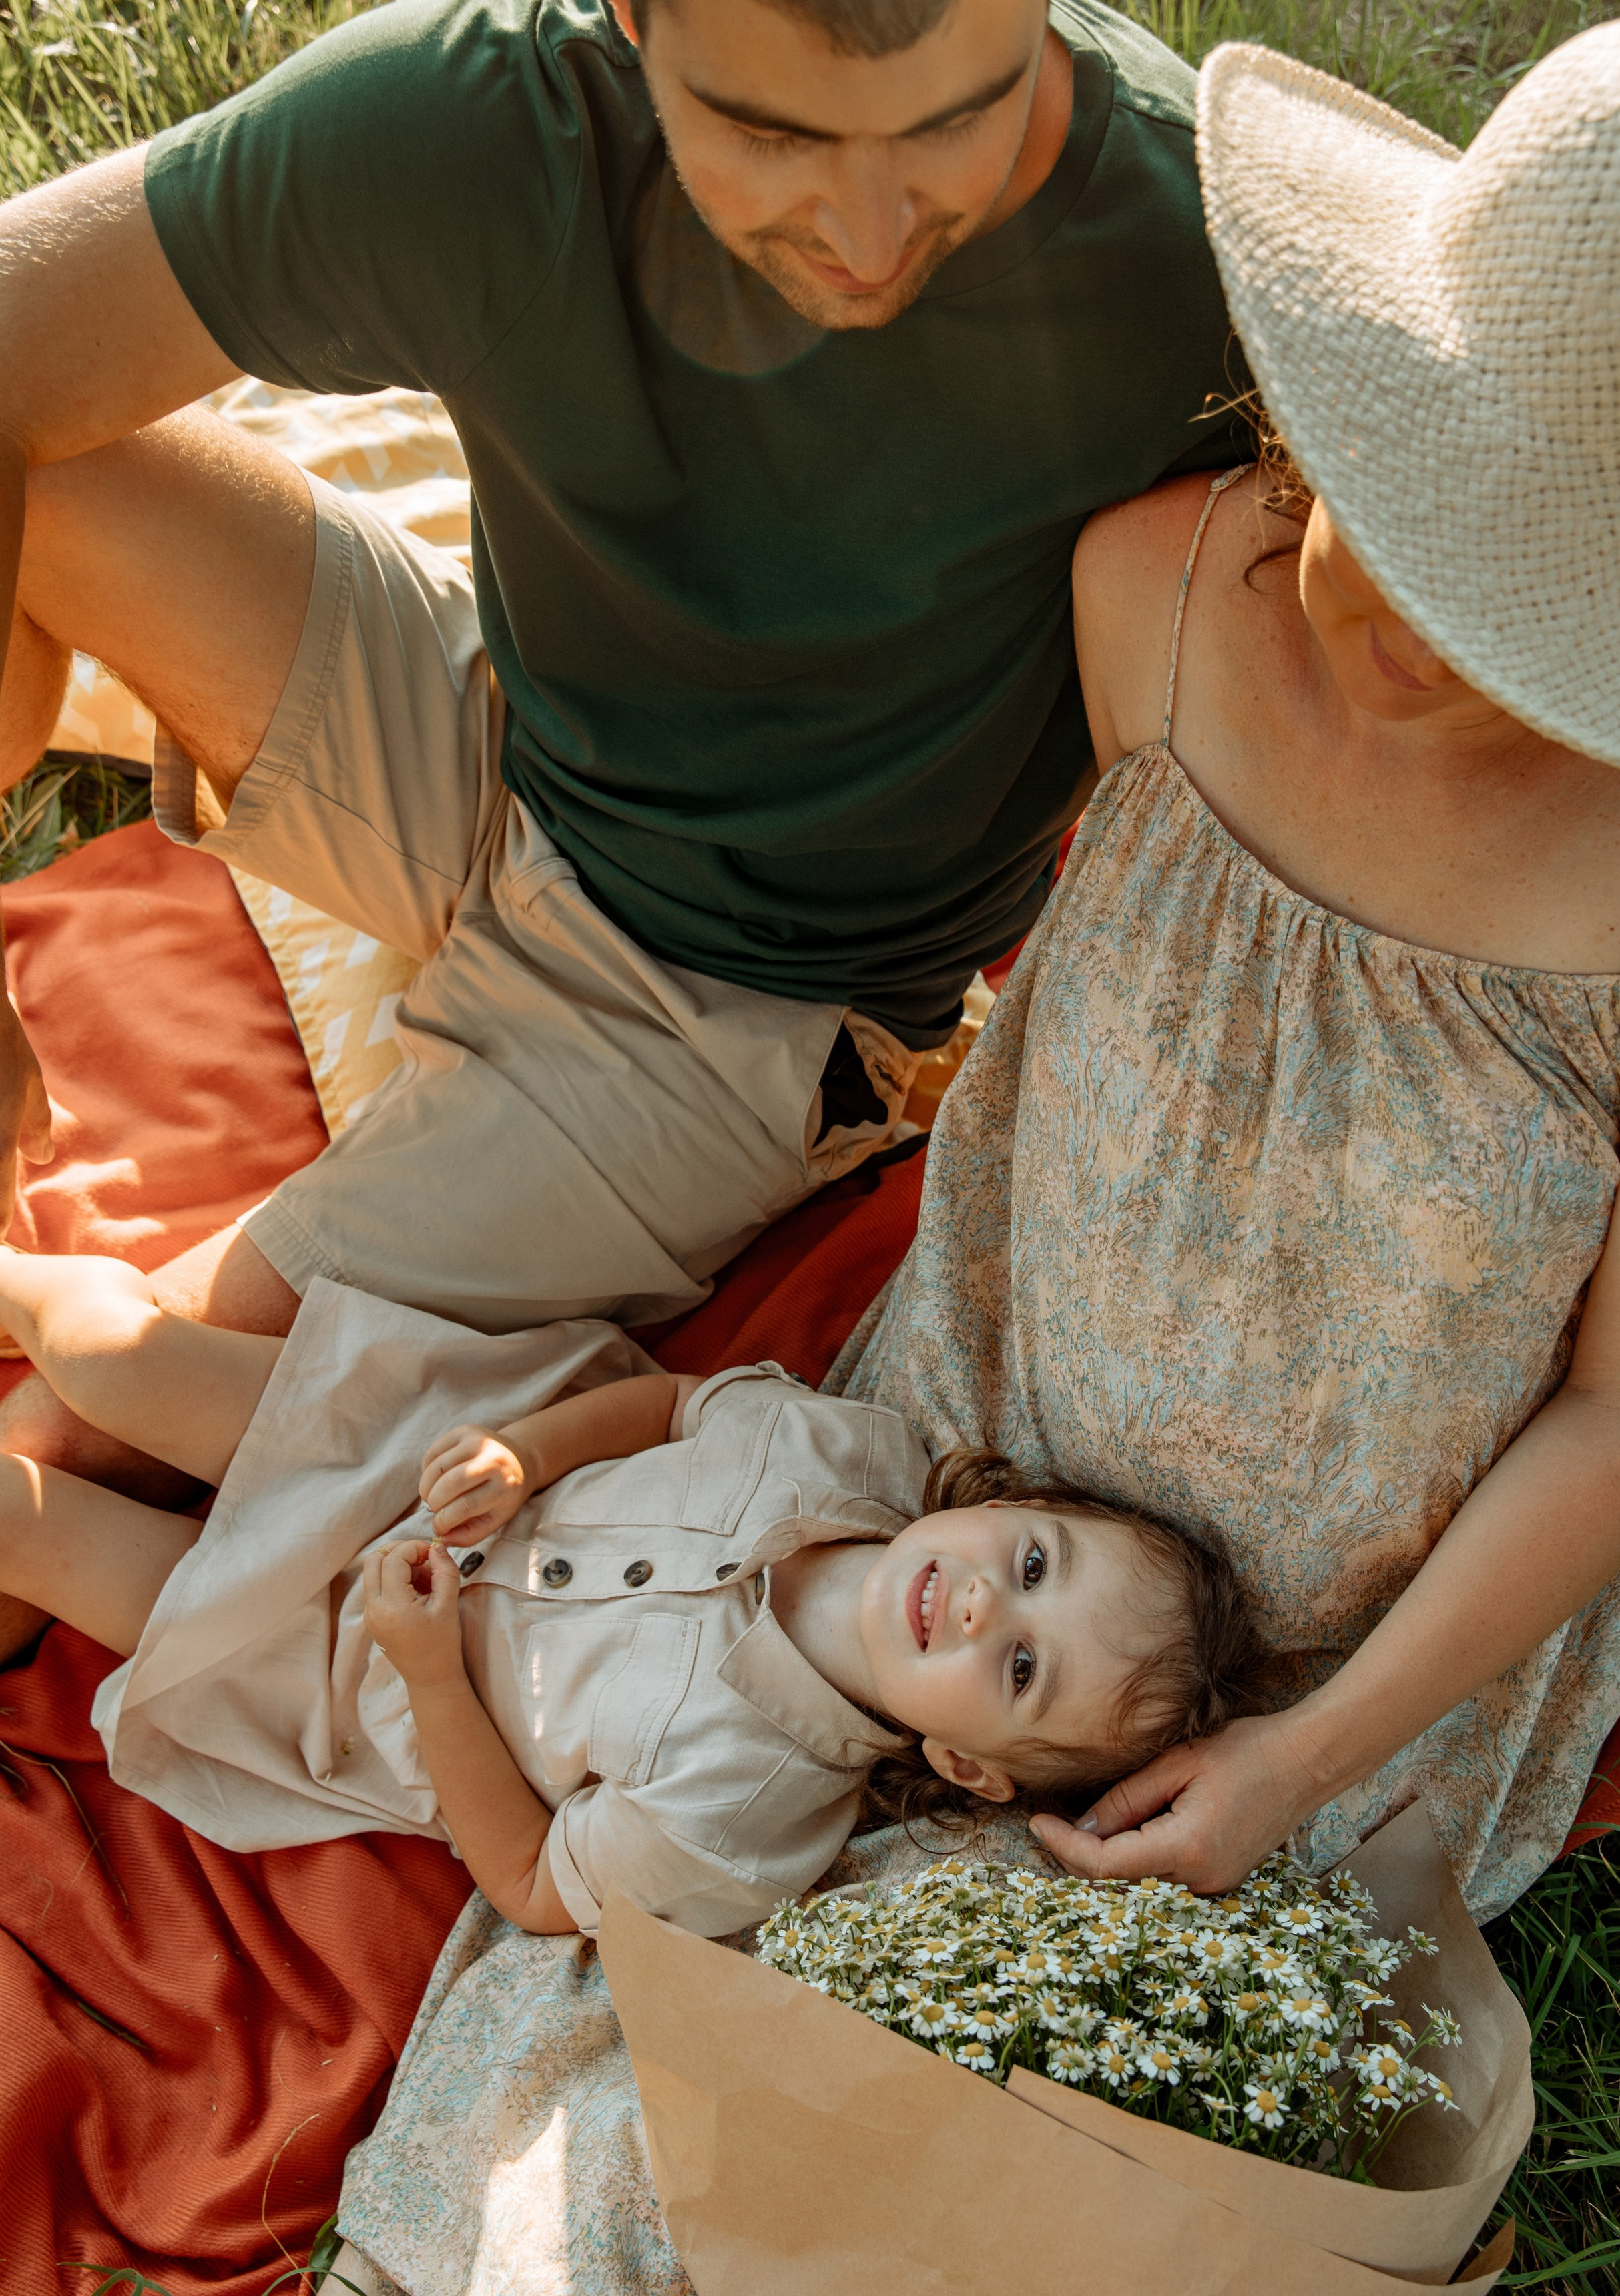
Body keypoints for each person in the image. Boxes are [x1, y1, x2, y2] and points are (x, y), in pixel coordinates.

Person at [0, 0, 1247, 1659]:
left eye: (955, 121)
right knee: (54, 461)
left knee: (90, 1434)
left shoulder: (1192, 250)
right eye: (773, 136)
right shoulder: (482, 123)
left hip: (732, 1011)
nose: (871, 233)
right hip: (502, 739)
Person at [835, 11, 1620, 1923]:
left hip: (1367, 1669)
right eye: (1422, 510)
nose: (1429, 632)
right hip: (975, 1512)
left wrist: (1298, 1752)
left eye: (1539, 598)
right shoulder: (1142, 599)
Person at [0, 1244, 1258, 1936]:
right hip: (412, 1458)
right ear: (1010, 1503)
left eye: (1022, 1666)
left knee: (25, 1525)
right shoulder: (853, 1451)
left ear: (970, 1767)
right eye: (1032, 1563)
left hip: (345, 1669)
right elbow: (668, 1407)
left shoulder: (747, 1821)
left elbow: (535, 1881)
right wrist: (521, 1455)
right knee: (107, 1351)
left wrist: (431, 1672)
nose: (987, 1606)